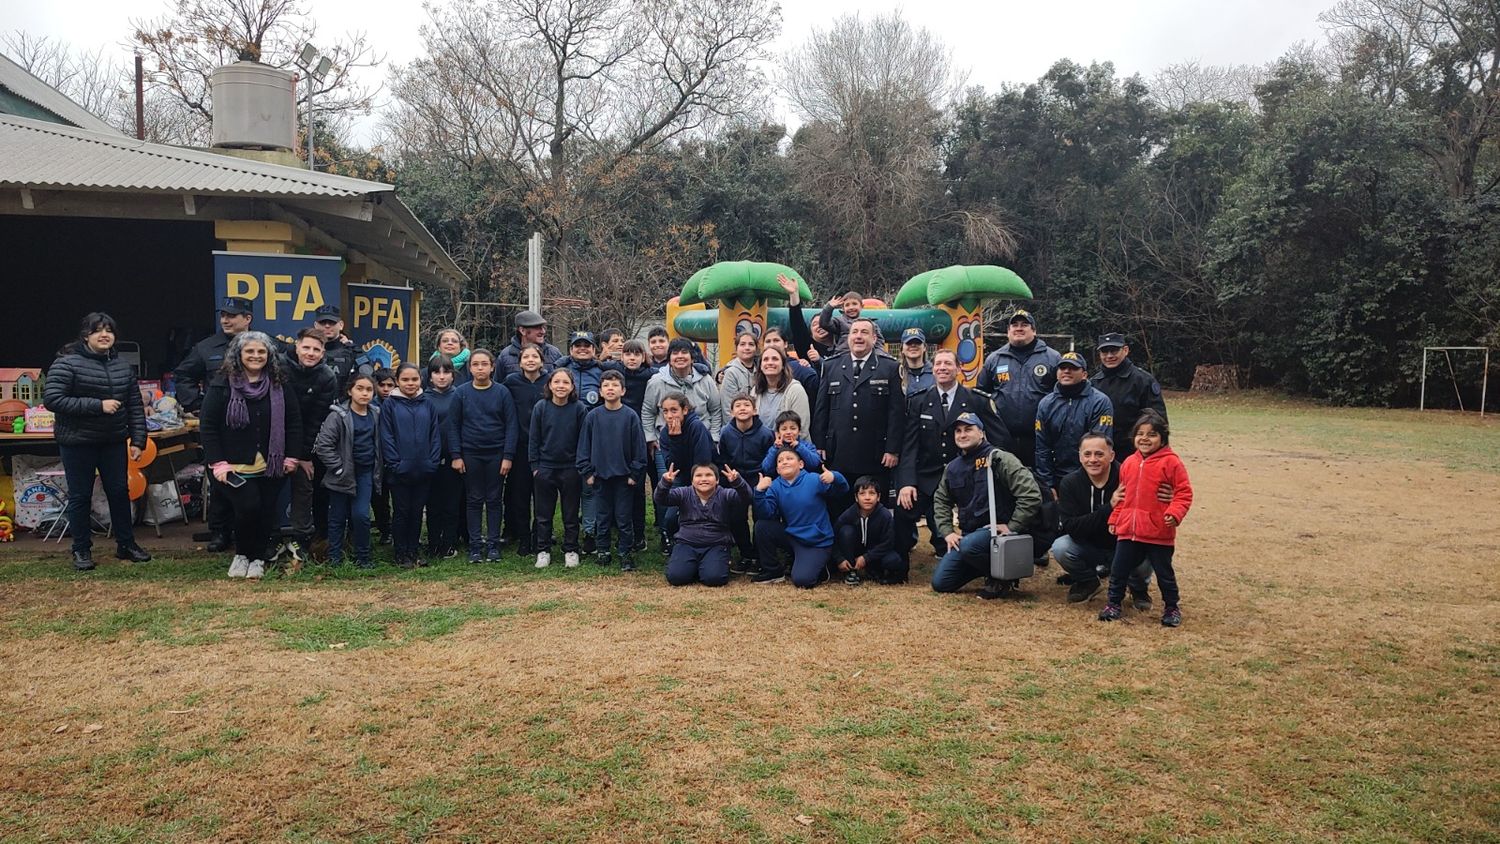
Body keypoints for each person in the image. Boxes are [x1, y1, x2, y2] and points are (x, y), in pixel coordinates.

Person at [43, 311, 151, 571]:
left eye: (109, 331)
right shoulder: (67, 363)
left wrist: (138, 440)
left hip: (113, 440)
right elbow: (52, 399)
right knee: (81, 496)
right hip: (77, 441)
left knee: (119, 493)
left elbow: (135, 406)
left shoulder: (122, 367)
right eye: (98, 330)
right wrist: (97, 405)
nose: (105, 335)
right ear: (85, 335)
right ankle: (81, 549)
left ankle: (126, 544)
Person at [200, 331, 304, 580]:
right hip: (232, 465)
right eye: (250, 351)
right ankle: (242, 554)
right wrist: (218, 463)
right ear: (239, 354)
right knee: (248, 507)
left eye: (261, 352)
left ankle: (257, 558)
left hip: (272, 463)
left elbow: (294, 423)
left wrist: (291, 457)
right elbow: (208, 425)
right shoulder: (222, 383)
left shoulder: (279, 383)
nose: (256, 356)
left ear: (269, 355)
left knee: (266, 510)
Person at [894, 349, 1002, 563]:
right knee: (903, 507)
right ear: (932, 370)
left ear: (958, 369)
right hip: (928, 473)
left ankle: (970, 555)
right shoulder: (919, 400)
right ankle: (897, 559)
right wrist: (906, 482)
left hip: (967, 474)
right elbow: (909, 445)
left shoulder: (976, 400)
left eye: (948, 364)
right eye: (938, 364)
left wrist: (994, 469)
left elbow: (999, 439)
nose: (942, 368)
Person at [929, 413, 1042, 597]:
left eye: (968, 429)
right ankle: (987, 567)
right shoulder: (952, 468)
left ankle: (1002, 578)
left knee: (969, 546)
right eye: (958, 431)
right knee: (941, 582)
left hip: (999, 535)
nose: (962, 435)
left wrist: (1012, 526)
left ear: (981, 433)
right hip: (969, 538)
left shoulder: (1000, 458)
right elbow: (941, 500)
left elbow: (1031, 494)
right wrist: (947, 531)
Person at [1099, 410, 1194, 627]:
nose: (1145, 438)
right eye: (1140, 433)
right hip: (1128, 530)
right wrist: (1115, 518)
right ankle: (1113, 604)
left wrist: (1174, 513)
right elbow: (1123, 496)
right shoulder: (1128, 463)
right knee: (1118, 569)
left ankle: (1171, 607)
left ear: (1163, 437)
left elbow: (1184, 493)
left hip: (1158, 531)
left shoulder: (1172, 463)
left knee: (1164, 573)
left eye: (1151, 434)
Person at [175, 296, 254, 552]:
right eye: (223, 315)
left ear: (247, 319)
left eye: (232, 315)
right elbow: (183, 375)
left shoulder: (262, 344)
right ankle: (219, 532)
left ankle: (250, 531)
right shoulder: (206, 347)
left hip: (254, 425)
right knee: (219, 480)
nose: (225, 320)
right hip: (219, 426)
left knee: (252, 481)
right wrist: (197, 403)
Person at [812, 317, 905, 514]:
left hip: (876, 454)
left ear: (874, 337)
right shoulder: (831, 366)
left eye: (864, 332)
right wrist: (819, 444)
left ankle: (876, 544)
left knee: (874, 507)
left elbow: (896, 413)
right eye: (855, 332)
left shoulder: (889, 367)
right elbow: (822, 409)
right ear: (848, 338)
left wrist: (893, 449)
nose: (858, 337)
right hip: (839, 451)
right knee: (839, 505)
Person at [1052, 431, 1152, 606]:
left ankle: (1138, 589)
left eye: (1099, 454)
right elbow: (1071, 527)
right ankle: (1087, 581)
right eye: (1087, 454)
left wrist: (1166, 494)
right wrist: (1109, 507)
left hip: (1123, 545)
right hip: (1088, 546)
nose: (1093, 460)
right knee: (1061, 547)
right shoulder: (1069, 483)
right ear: (1080, 457)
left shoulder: (1128, 477)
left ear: (1111, 455)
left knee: (1148, 547)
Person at [449, 349, 518, 563]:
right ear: (470, 368)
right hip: (470, 453)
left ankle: (493, 545)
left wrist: (508, 456)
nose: (480, 368)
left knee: (494, 500)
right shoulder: (460, 393)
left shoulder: (502, 392)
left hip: (496, 453)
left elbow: (511, 425)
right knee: (474, 499)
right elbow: (453, 426)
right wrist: (456, 455)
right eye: (476, 364)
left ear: (492, 367)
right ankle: (475, 546)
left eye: (484, 364)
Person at [578, 371, 646, 570]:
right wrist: (587, 473)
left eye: (615, 385)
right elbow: (583, 447)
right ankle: (603, 549)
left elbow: (639, 449)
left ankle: (625, 551)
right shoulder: (593, 417)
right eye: (606, 385)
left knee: (624, 518)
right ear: (600, 391)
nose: (610, 389)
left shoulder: (630, 416)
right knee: (603, 516)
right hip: (600, 477)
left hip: (624, 479)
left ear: (623, 390)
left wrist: (635, 474)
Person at [752, 446, 848, 587]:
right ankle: (773, 571)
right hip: (793, 536)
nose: (784, 462)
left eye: (789, 458)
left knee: (802, 580)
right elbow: (767, 514)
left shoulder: (814, 479)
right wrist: (759, 492)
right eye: (780, 461)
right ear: (777, 469)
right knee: (762, 526)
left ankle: (823, 566)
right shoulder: (775, 486)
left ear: (801, 464)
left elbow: (842, 491)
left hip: (816, 541)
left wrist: (835, 477)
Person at [976, 309, 1061, 468]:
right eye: (1014, 325)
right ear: (1008, 332)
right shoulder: (994, 359)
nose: (1019, 328)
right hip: (1002, 438)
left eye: (1024, 325)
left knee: (1039, 485)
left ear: (1034, 330)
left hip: (1040, 438)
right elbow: (980, 394)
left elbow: (1061, 395)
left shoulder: (1052, 358)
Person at [378, 362, 442, 568]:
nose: (410, 383)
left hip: (424, 469)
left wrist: (432, 462)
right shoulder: (390, 405)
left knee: (416, 512)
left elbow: (435, 435)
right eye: (405, 380)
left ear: (420, 380)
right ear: (397, 381)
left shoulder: (427, 403)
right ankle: (400, 552)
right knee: (402, 512)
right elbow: (386, 436)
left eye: (414, 379)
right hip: (399, 471)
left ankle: (413, 551)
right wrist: (395, 464)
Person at [314, 373, 382, 569]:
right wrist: (339, 467)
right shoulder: (338, 416)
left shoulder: (376, 414)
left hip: (365, 473)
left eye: (369, 390)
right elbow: (323, 446)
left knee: (361, 515)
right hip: (342, 474)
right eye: (360, 389)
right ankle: (334, 558)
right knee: (337, 517)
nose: (364, 393)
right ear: (350, 391)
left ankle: (363, 557)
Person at [284, 328, 338, 565]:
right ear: (297, 347)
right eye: (306, 347)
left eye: (316, 349)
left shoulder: (327, 377)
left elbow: (317, 420)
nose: (311, 353)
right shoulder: (278, 368)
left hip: (306, 440)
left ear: (323, 352)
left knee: (305, 487)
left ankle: (302, 540)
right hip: (272, 438)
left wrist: (302, 456)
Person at [656, 463, 751, 587]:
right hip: (687, 543)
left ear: (717, 480)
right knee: (676, 577)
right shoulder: (684, 493)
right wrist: (665, 483)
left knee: (714, 579)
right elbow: (661, 499)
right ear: (692, 480)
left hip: (716, 543)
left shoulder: (725, 494)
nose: (703, 479)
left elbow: (746, 498)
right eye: (698, 475)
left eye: (708, 475)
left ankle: (706, 566)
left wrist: (738, 482)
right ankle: (692, 566)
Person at [1034, 351, 1114, 497]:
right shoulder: (1045, 404)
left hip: (1089, 476)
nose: (1066, 371)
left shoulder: (1100, 402)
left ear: (1084, 374)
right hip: (1056, 477)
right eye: (1062, 368)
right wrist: (1047, 484)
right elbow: (1042, 448)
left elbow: (1098, 446)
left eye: (1073, 368)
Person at [530, 368, 588, 569]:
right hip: (545, 468)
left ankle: (571, 549)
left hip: (571, 469)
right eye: (557, 382)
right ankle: (543, 550)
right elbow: (534, 439)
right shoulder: (541, 407)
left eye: (565, 383)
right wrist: (535, 467)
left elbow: (583, 440)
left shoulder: (579, 408)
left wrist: (580, 466)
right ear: (550, 385)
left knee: (570, 513)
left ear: (572, 387)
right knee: (543, 514)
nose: (561, 386)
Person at [717, 393, 773, 574]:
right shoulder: (726, 432)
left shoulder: (765, 433)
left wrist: (764, 479)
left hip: (757, 478)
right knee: (736, 517)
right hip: (735, 478)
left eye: (746, 405)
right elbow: (723, 457)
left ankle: (758, 555)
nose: (742, 408)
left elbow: (770, 459)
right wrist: (728, 478)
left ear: (754, 410)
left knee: (760, 517)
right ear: (731, 412)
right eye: (738, 406)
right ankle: (746, 553)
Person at [655, 392, 716, 550]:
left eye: (674, 410)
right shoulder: (664, 433)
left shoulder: (696, 427)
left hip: (703, 476)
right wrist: (675, 440)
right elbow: (672, 466)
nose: (669, 415)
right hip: (680, 476)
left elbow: (703, 461)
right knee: (670, 517)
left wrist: (694, 488)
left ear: (685, 410)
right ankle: (671, 539)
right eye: (665, 411)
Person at [1091, 333, 1167, 460]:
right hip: (1100, 454)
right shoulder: (1093, 383)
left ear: (1125, 350)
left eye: (1114, 351)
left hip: (1134, 454)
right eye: (1104, 351)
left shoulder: (1143, 381)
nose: (1109, 356)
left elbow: (1158, 422)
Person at [502, 344, 547, 554]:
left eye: (534, 356)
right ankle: (523, 538)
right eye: (526, 357)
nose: (530, 360)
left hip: (544, 448)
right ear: (520, 362)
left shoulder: (550, 381)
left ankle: (539, 536)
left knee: (541, 496)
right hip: (519, 447)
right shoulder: (511, 383)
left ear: (541, 360)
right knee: (519, 496)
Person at [423, 356, 464, 560]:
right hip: (430, 460)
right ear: (429, 376)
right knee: (433, 505)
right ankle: (433, 543)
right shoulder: (423, 398)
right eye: (436, 372)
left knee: (451, 504)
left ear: (452, 375)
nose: (441, 376)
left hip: (453, 459)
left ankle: (449, 543)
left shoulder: (460, 396)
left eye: (446, 372)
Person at [619, 339, 655, 550]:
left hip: (642, 438)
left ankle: (640, 534)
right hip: (618, 437)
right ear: (621, 356)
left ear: (643, 357)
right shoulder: (614, 371)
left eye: (636, 354)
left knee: (638, 488)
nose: (632, 358)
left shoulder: (651, 376)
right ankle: (620, 530)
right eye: (628, 354)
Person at [835, 476, 903, 585]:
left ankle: (878, 571)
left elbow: (888, 543)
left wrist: (866, 558)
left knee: (893, 560)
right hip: (854, 551)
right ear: (856, 498)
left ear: (878, 497)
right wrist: (839, 559)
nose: (867, 498)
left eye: (872, 493)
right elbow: (834, 537)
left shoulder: (885, 515)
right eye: (862, 494)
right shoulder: (848, 514)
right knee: (846, 531)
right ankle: (851, 571)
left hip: (874, 553)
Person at [750, 346, 810, 434]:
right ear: (761, 366)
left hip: (790, 446)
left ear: (783, 365)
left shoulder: (796, 390)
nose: (770, 362)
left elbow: (802, 429)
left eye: (775, 359)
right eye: (766, 359)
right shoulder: (755, 391)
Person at [497, 310, 565, 378]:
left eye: (543, 327)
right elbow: (498, 386)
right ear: (522, 330)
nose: (543, 331)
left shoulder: (554, 354)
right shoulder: (505, 356)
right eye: (538, 328)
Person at [370, 368, 396, 545]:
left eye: (390, 385)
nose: (386, 389)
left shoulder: (400, 403)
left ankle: (398, 530)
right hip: (375, 460)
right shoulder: (369, 406)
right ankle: (385, 530)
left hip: (395, 458)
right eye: (382, 385)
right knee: (378, 498)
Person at [818, 290, 884, 353]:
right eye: (847, 305)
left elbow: (879, 342)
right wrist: (829, 307)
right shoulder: (839, 322)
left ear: (861, 306)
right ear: (843, 309)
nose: (851, 307)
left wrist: (878, 355)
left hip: (865, 355)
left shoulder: (870, 324)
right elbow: (824, 323)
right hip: (844, 355)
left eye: (854, 304)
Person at [313, 304, 357, 388]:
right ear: (315, 325)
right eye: (322, 322)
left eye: (332, 322)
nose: (327, 326)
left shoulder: (352, 352)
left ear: (341, 325)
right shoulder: (307, 351)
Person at [719, 331, 759, 407]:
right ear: (736, 348)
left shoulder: (761, 369)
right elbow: (728, 405)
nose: (747, 348)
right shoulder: (731, 373)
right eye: (742, 344)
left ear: (756, 348)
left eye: (751, 344)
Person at [898, 328, 935, 395]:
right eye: (908, 343)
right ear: (902, 349)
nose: (913, 345)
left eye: (917, 342)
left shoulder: (935, 372)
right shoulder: (896, 373)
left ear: (924, 348)